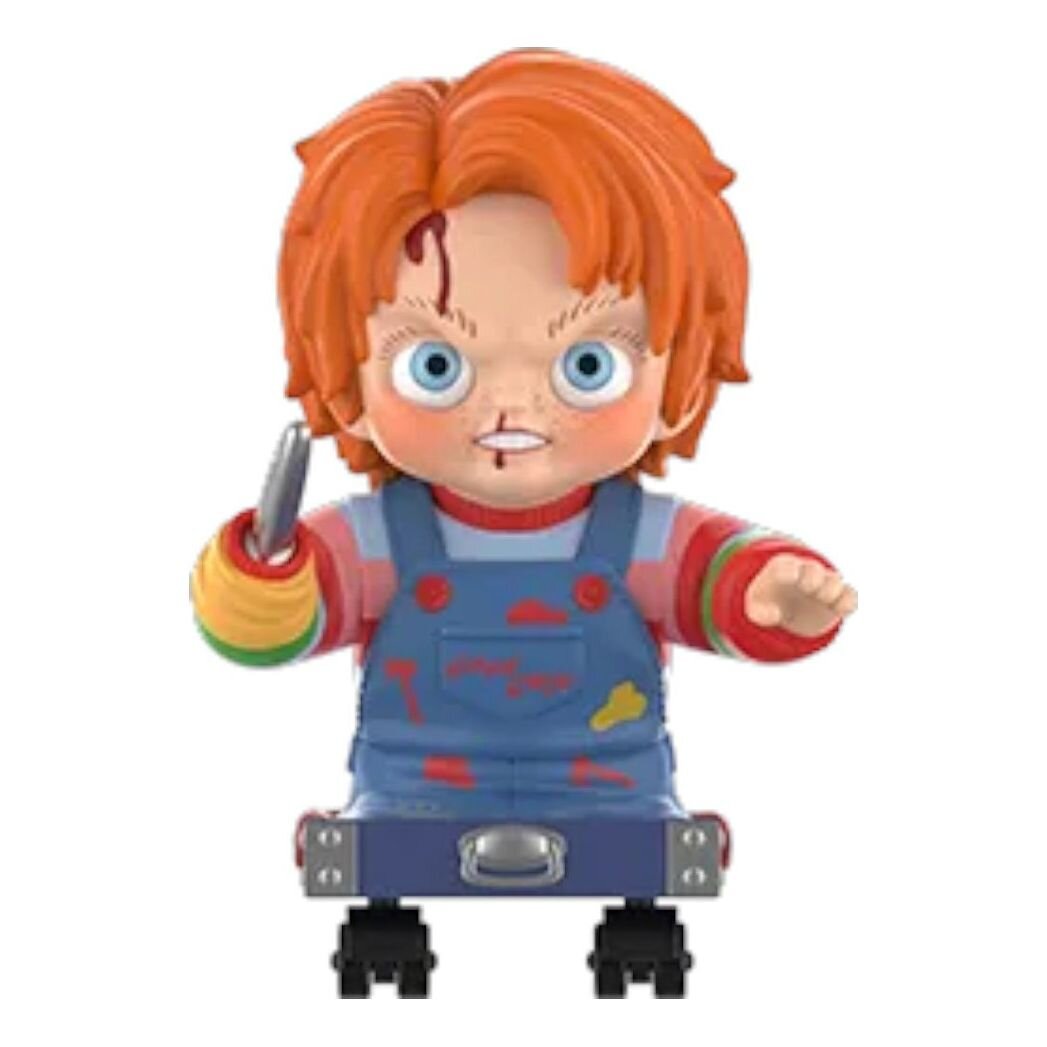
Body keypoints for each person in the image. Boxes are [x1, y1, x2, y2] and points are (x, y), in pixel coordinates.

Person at [191, 48, 857, 821]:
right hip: (410, 807)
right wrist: (258, 584)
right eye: (436, 365)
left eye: (587, 364)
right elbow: (273, 625)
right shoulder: (373, 543)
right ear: (346, 377)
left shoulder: (648, 541)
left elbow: (719, 582)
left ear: (680, 371)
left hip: (615, 805)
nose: (511, 405)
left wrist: (773, 592)